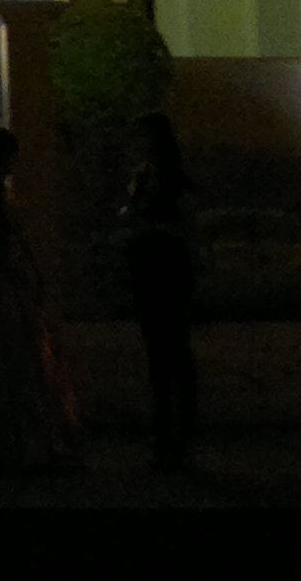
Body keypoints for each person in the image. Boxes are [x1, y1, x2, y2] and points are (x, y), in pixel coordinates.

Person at [0, 125, 83, 474]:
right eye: (8, 156)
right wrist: (18, 274)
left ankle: (15, 441)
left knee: (16, 362)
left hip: (6, 280)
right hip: (2, 285)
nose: (13, 163)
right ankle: (11, 441)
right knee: (12, 360)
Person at [122, 112, 200, 472]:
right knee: (162, 354)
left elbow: (185, 224)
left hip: (164, 264)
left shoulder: (170, 179)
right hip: (152, 264)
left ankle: (175, 437)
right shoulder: (147, 176)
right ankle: (167, 437)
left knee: (171, 353)